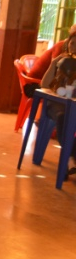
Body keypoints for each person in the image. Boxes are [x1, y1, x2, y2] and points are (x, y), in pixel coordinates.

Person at [40, 32, 76, 174]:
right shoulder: (61, 62)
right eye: (73, 44)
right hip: (57, 105)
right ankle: (70, 159)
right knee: (63, 117)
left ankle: (70, 159)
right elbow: (44, 84)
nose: (74, 48)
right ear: (67, 45)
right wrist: (54, 63)